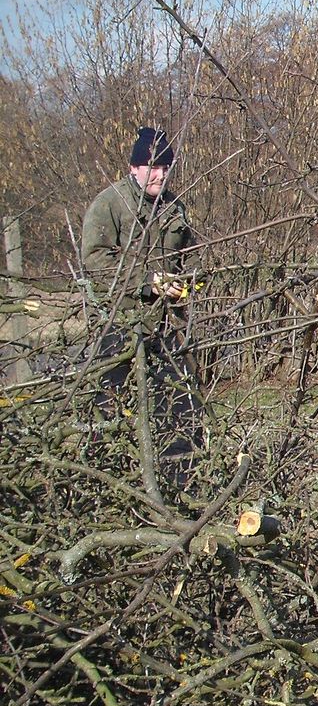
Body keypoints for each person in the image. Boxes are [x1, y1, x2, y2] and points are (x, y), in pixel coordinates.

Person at [80, 126, 201, 486]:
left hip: (165, 326)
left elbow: (186, 255)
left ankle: (182, 484)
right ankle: (108, 485)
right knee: (111, 410)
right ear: (134, 167)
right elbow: (94, 261)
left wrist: (188, 284)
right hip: (118, 325)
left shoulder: (174, 206)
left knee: (179, 405)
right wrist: (147, 282)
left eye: (166, 167)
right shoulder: (110, 204)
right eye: (152, 167)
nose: (160, 175)